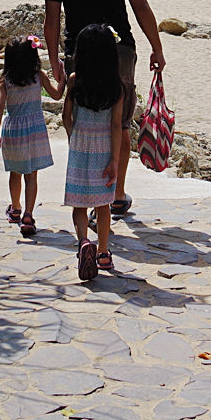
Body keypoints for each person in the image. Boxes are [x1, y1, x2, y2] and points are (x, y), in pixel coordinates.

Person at [41, 0, 166, 219]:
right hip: (119, 50)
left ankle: (92, 189)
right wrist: (157, 47)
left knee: (83, 122)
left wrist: (55, 60)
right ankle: (116, 193)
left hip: (79, 53)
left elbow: (51, 18)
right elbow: (141, 7)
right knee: (120, 122)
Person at [61, 23, 128, 279]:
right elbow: (115, 125)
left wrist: (73, 136)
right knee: (102, 205)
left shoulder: (75, 80)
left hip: (80, 145)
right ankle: (102, 251)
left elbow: (66, 115)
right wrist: (113, 160)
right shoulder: (117, 88)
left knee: (79, 203)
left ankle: (82, 243)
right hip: (103, 148)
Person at [0, 35, 63, 238]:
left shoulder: (6, 81)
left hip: (13, 130)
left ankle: (15, 208)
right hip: (35, 130)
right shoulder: (38, 76)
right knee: (31, 175)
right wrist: (64, 79)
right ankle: (28, 216)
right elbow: (56, 95)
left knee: (15, 172)